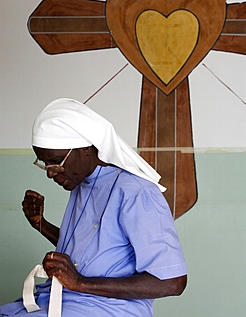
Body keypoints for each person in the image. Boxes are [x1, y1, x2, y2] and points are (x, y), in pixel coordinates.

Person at [0, 98, 187, 317]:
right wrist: (42, 225)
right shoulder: (83, 183)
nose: (50, 172)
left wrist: (80, 283)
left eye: (56, 162)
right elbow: (91, 253)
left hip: (107, 308)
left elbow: (172, 282)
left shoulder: (136, 191)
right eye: (44, 163)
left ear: (85, 149)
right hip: (64, 299)